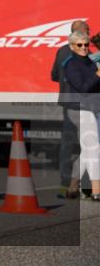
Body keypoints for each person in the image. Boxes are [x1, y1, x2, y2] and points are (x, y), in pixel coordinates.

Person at [53, 20, 90, 199]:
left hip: (67, 105)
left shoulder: (61, 51)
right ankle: (78, 185)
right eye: (87, 30)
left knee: (66, 147)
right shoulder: (84, 52)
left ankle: (64, 185)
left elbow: (53, 75)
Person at [63, 30, 100, 202]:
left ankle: (72, 187)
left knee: (87, 149)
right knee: (93, 147)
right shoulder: (71, 64)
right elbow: (83, 88)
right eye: (80, 45)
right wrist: (97, 75)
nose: (84, 47)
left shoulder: (89, 62)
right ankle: (96, 190)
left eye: (86, 44)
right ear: (72, 46)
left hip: (92, 108)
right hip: (80, 109)